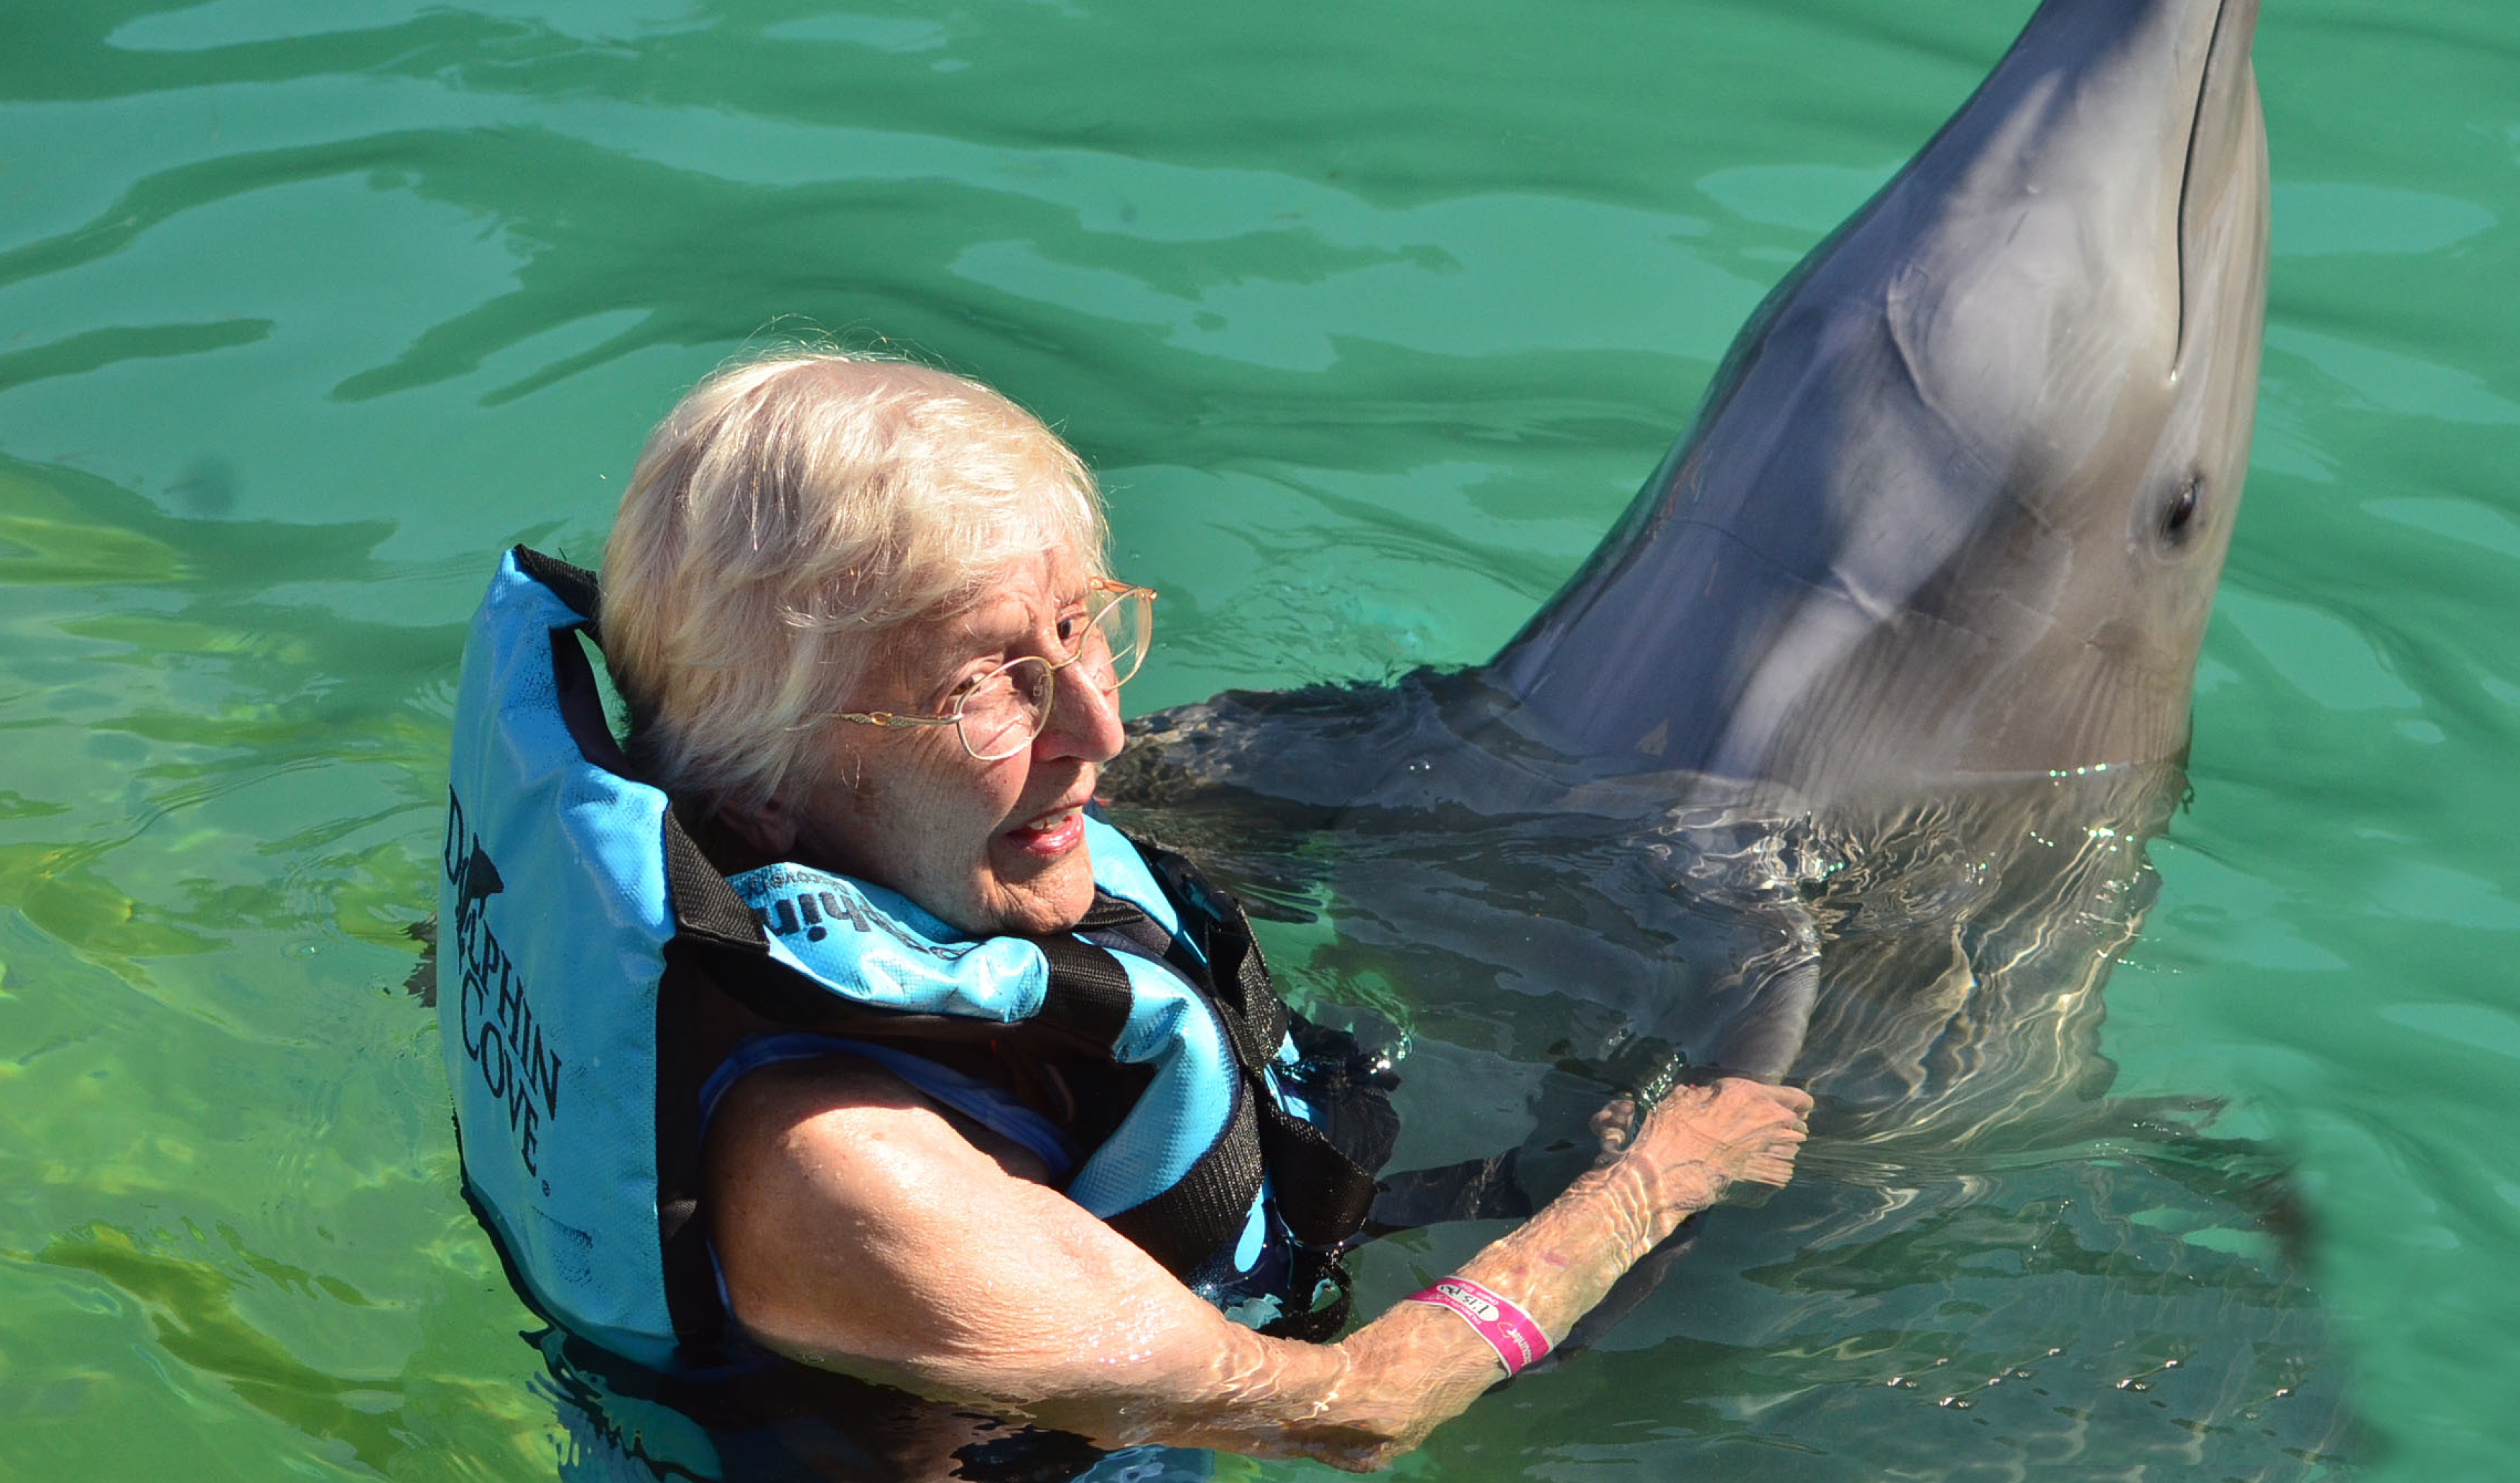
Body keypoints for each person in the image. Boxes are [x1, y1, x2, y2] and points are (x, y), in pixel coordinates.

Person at [449, 351, 1810, 1475]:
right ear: (758, 798)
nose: (1097, 727)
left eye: (1080, 624)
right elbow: (1357, 1409)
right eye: (980, 684)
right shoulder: (847, 1178)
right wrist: (1653, 1187)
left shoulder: (730, 869)